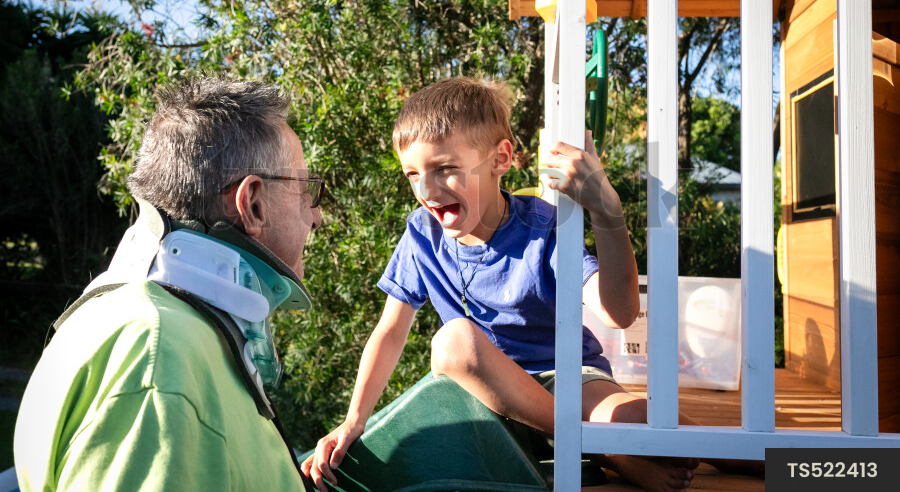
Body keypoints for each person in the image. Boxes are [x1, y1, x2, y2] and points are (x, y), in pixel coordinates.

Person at [302, 77, 701, 492]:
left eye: (445, 169)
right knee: (452, 342)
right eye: (413, 174)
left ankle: (777, 465)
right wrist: (353, 420)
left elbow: (618, 313)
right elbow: (389, 331)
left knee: (676, 439)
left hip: (564, 381)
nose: (426, 189)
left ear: (501, 158)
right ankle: (605, 451)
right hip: (485, 396)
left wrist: (606, 209)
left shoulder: (541, 227)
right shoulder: (422, 235)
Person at [15, 77, 323, 491]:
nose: (316, 216)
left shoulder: (150, 325)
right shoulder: (158, 356)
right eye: (305, 189)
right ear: (253, 203)